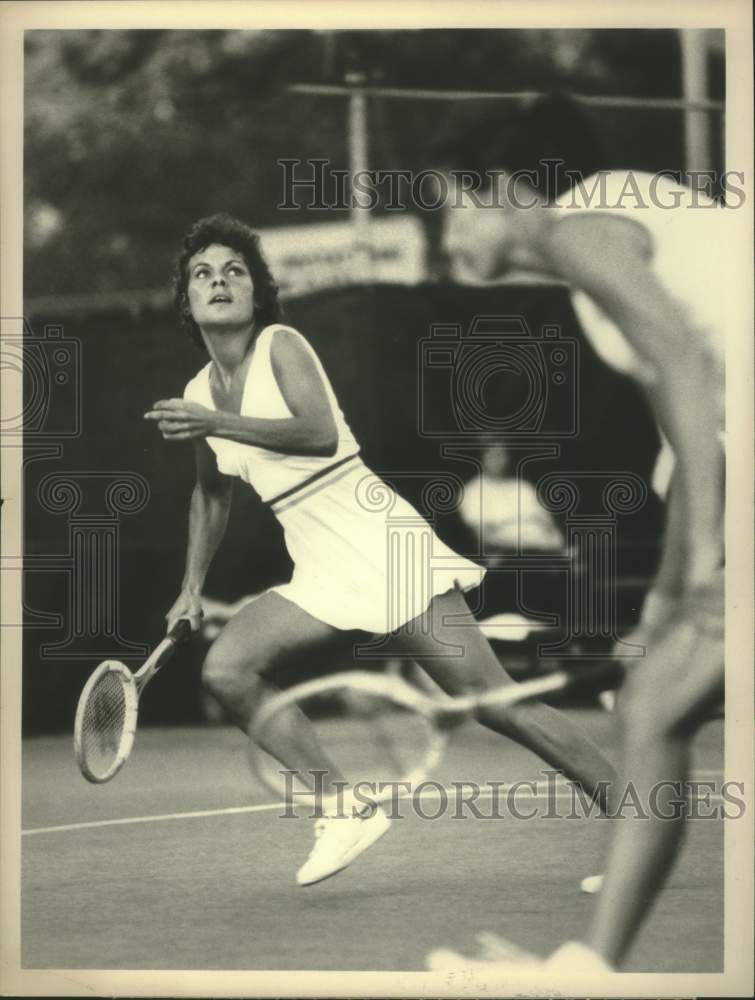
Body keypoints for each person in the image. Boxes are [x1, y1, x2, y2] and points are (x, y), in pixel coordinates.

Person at [145, 212, 621, 888]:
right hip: (318, 559)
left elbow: (317, 435)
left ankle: (632, 819)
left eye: (233, 271)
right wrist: (191, 584)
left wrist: (216, 421)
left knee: (492, 701)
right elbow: (211, 495)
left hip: (378, 536)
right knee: (227, 671)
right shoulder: (197, 393)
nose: (217, 281)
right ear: (187, 302)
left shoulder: (281, 345)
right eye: (202, 274)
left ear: (256, 291)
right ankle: (341, 809)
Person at [426, 94, 725, 972]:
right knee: (650, 703)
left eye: (450, 210)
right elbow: (692, 437)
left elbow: (685, 363)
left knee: (658, 705)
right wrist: (665, 603)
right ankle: (587, 972)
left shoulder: (577, 226)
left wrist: (706, 553)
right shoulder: (606, 265)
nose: (445, 241)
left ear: (508, 189)